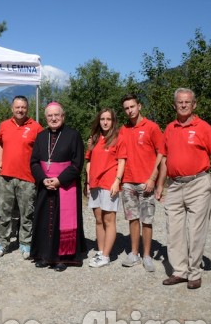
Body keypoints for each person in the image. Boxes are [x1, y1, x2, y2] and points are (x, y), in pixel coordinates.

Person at [156, 88, 211, 290]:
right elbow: (164, 159)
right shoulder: (169, 128)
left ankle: (194, 272)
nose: (184, 105)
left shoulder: (203, 127)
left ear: (194, 104)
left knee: (196, 230)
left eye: (187, 102)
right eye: (180, 102)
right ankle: (179, 271)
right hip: (175, 185)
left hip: (198, 183)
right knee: (174, 230)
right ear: (174, 105)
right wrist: (160, 185)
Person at [30, 102, 85, 271]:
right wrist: (43, 179)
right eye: (49, 116)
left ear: (63, 116)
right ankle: (45, 256)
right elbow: (33, 162)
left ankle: (63, 258)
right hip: (45, 185)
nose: (53, 118)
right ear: (46, 118)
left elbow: (77, 164)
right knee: (44, 220)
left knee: (63, 221)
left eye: (56, 115)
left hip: (65, 186)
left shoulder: (73, 135)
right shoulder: (40, 136)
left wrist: (59, 180)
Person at [0, 96, 43, 259]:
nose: (20, 110)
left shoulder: (36, 127)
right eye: (17, 107)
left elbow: (42, 151)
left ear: (27, 109)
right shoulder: (4, 125)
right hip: (6, 176)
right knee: (4, 212)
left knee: (26, 213)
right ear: (12, 108)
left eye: (23, 107)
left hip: (27, 177)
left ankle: (25, 243)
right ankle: (3, 243)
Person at [118, 94, 164, 272]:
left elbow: (161, 153)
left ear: (139, 106)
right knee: (133, 219)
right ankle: (134, 253)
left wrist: (153, 178)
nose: (130, 111)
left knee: (147, 220)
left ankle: (147, 255)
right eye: (126, 108)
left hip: (146, 183)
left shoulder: (151, 127)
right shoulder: (123, 129)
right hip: (128, 182)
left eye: (132, 106)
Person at [84, 108, 127, 268]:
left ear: (113, 121)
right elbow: (88, 161)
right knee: (98, 219)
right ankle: (101, 252)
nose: (105, 122)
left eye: (108, 119)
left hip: (109, 184)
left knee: (109, 220)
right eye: (102, 119)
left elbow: (122, 162)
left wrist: (117, 181)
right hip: (94, 184)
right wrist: (88, 182)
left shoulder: (118, 138)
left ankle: (107, 255)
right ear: (99, 120)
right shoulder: (94, 139)